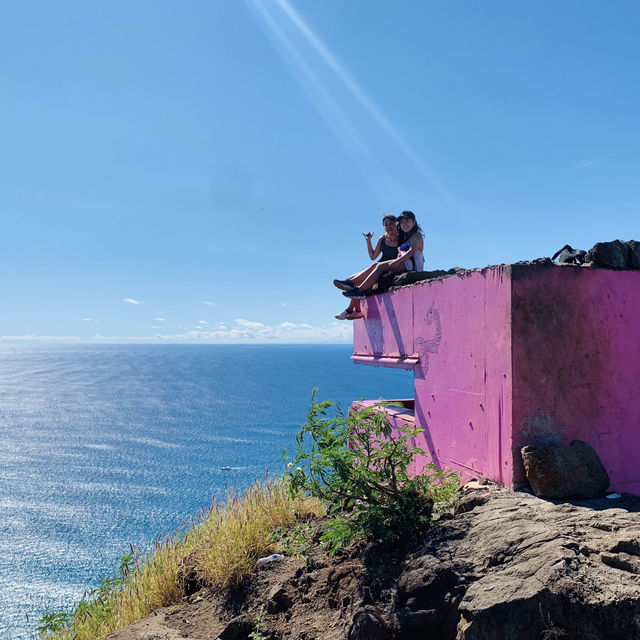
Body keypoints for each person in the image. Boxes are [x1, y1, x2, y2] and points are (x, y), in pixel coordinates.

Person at [334, 211, 423, 300]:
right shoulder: (407, 237)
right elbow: (373, 256)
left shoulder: (417, 236)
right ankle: (351, 283)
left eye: (407, 221)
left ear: (414, 222)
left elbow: (412, 252)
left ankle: (359, 291)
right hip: (406, 264)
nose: (404, 224)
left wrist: (397, 261)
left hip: (411, 266)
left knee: (380, 266)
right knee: (376, 265)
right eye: (402, 222)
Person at [335, 215, 399, 320]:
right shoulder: (382, 239)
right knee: (363, 276)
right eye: (385, 225)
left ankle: (351, 308)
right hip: (377, 267)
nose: (388, 227)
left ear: (396, 224)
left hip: (389, 268)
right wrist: (368, 240)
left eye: (391, 224)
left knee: (363, 276)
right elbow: (373, 256)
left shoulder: (401, 239)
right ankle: (354, 310)